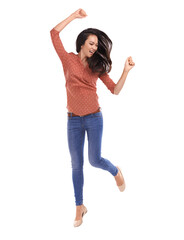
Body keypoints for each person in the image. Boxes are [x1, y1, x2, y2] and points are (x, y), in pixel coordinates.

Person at [50, 8, 135, 227]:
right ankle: (79, 206)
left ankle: (115, 170)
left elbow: (115, 90)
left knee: (94, 160)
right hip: (73, 120)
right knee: (76, 165)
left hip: (94, 118)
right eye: (91, 43)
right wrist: (73, 16)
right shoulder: (68, 59)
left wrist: (125, 71)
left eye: (97, 45)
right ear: (82, 43)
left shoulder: (97, 67)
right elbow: (53, 33)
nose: (94, 47)